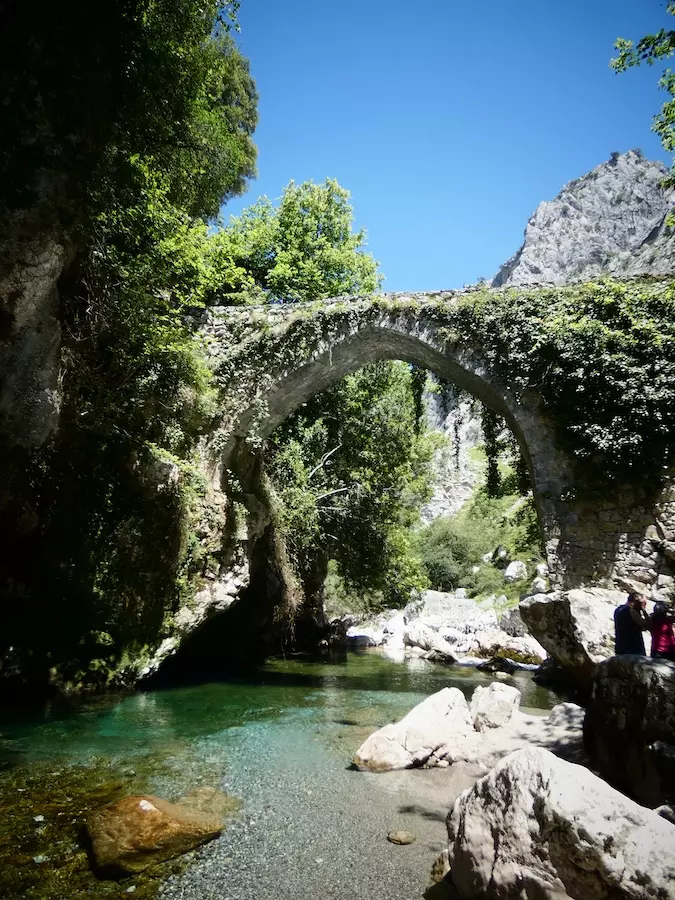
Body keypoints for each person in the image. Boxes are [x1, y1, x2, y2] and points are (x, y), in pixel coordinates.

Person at [614, 592, 650, 656]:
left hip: (620, 647)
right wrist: (643, 610)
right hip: (633, 649)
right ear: (635, 601)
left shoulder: (618, 610)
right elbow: (646, 625)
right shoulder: (631, 611)